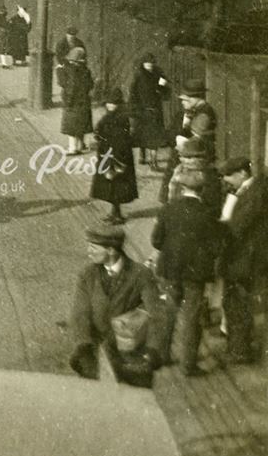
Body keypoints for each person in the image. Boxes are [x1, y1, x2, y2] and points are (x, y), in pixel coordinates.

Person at [151, 171, 227, 376]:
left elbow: (156, 241)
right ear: (201, 190)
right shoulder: (207, 213)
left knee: (169, 311)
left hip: (170, 269)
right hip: (195, 273)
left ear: (183, 188)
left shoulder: (168, 208)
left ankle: (162, 355)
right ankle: (188, 365)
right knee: (192, 316)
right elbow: (215, 247)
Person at [69, 224, 162, 387]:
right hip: (97, 354)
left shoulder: (141, 274)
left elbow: (157, 315)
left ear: (111, 250)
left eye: (93, 247)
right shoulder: (87, 275)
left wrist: (152, 350)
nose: (88, 251)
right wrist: (83, 345)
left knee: (136, 404)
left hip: (131, 357)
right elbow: (80, 313)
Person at [218, 157, 267, 364]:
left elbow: (237, 225)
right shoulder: (252, 188)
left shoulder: (254, 193)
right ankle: (238, 346)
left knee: (236, 303)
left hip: (244, 258)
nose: (226, 181)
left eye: (229, 176)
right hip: (246, 256)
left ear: (242, 174)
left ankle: (239, 351)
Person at [160, 78, 218, 205]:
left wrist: (180, 137)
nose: (182, 103)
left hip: (194, 159)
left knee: (185, 191)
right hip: (184, 155)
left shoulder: (204, 114)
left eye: (184, 100)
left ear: (194, 98)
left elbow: (194, 140)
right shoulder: (190, 111)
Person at [90, 88, 137, 224]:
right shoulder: (109, 116)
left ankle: (117, 215)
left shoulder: (121, 118)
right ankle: (114, 212)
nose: (110, 106)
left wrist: (116, 159)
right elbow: (100, 131)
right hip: (107, 154)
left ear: (119, 104)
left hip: (116, 156)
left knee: (116, 186)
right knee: (110, 186)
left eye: (114, 103)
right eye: (108, 103)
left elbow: (121, 140)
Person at [128, 52, 170, 169]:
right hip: (142, 110)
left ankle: (153, 161)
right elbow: (133, 93)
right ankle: (142, 155)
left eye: (151, 63)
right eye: (147, 63)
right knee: (142, 134)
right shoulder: (138, 76)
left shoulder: (159, 74)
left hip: (155, 109)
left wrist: (162, 88)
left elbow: (165, 90)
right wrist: (133, 109)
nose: (150, 65)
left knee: (154, 136)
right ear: (143, 64)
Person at [55, 46, 93, 155]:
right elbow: (91, 85)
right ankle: (81, 146)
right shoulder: (86, 70)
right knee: (81, 126)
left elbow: (64, 84)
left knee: (71, 127)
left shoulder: (70, 70)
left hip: (73, 102)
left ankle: (72, 148)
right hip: (84, 101)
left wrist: (68, 100)